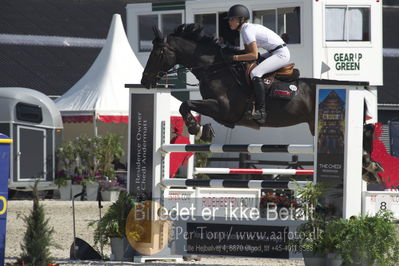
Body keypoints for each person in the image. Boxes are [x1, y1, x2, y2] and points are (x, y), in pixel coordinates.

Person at [225, 4, 290, 123]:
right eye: (229, 19)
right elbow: (247, 53)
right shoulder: (245, 29)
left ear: (241, 20)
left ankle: (261, 110)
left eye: (232, 19)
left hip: (281, 54)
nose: (229, 21)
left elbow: (253, 55)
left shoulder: (247, 30)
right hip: (273, 52)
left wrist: (234, 57)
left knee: (255, 73)